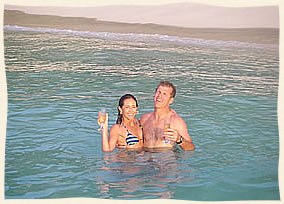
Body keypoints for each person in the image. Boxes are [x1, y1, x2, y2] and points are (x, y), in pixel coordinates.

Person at [140, 81, 195, 151]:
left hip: (166, 160)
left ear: (171, 100)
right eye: (158, 92)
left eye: (164, 94)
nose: (159, 96)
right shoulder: (144, 119)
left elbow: (191, 148)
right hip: (145, 160)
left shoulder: (176, 121)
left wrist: (179, 139)